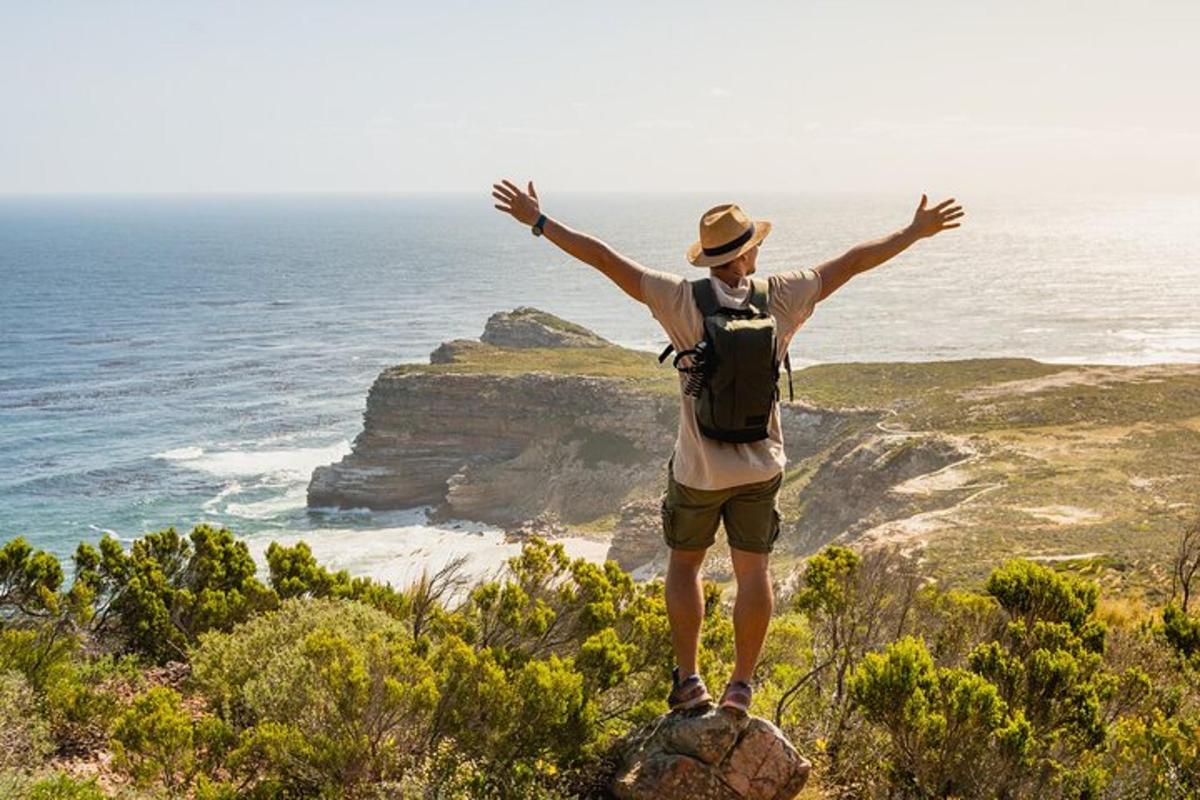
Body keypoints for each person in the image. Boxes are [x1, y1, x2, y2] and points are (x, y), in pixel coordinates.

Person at [490, 178, 964, 714]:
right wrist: (913, 231)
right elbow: (852, 263)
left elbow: (603, 258)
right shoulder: (783, 295)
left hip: (699, 471)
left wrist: (540, 221)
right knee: (753, 573)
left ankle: (690, 680)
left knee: (685, 566)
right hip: (761, 466)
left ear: (712, 258)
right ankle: (740, 687)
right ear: (748, 253)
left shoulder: (678, 297)